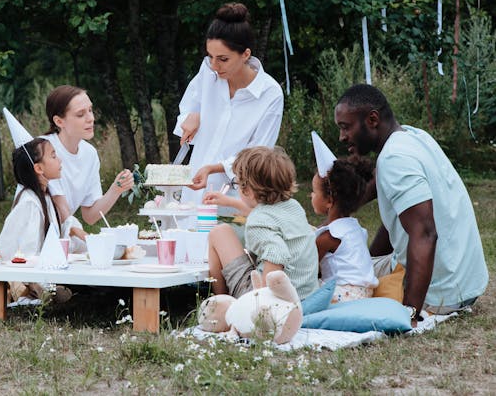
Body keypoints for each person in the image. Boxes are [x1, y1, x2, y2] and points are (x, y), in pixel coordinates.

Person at [334, 84, 488, 321]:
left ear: (372, 119)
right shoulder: (413, 136)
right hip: (463, 284)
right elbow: (394, 212)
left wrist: (409, 314)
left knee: (335, 281)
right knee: (351, 267)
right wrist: (369, 260)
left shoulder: (395, 158)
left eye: (346, 127)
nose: (342, 137)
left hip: (440, 295)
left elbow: (425, 234)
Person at [175, 3, 284, 217]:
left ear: (245, 54)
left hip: (235, 201)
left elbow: (257, 156)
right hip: (193, 194)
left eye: (223, 59)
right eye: (210, 56)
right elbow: (187, 111)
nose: (215, 65)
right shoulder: (208, 72)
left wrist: (213, 168)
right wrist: (193, 116)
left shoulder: (270, 94)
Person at [208, 146, 319, 300]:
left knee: (219, 232)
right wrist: (230, 202)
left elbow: (277, 255)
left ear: (247, 190)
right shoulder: (293, 206)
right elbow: (265, 217)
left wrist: (264, 305)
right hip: (304, 294)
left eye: (237, 184)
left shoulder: (258, 221)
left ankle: (221, 300)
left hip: (268, 298)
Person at [43, 85, 134, 238]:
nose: (91, 118)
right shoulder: (44, 150)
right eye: (80, 114)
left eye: (90, 110)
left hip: (64, 236)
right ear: (59, 121)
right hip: (39, 239)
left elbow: (90, 216)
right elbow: (62, 214)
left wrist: (115, 189)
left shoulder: (89, 153)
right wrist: (93, 242)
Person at [0, 137, 72, 302]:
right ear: (38, 168)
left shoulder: (46, 197)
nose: (59, 159)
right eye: (53, 156)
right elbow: (28, 254)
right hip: (23, 278)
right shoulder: (30, 203)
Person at [310, 154, 379, 302]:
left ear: (329, 200)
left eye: (314, 192)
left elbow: (309, 269)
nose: (311, 196)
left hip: (344, 294)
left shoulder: (328, 237)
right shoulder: (355, 228)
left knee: (304, 289)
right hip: (366, 293)